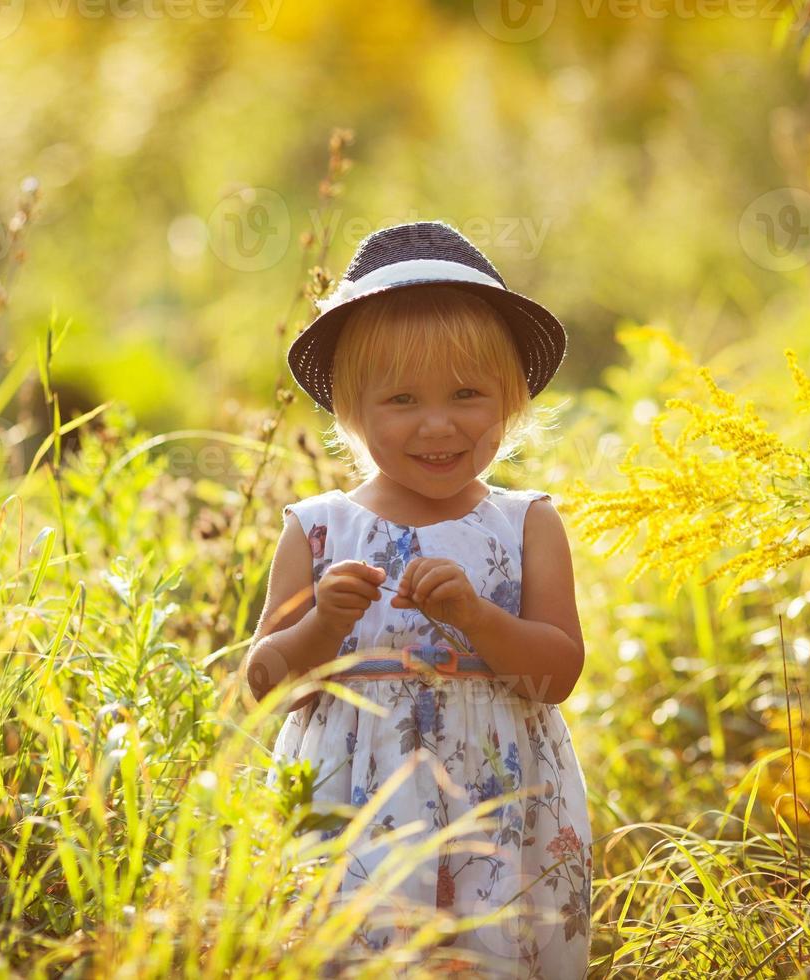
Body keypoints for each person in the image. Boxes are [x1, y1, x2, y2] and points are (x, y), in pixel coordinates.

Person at [242, 221, 593, 978]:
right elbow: (266, 684)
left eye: (468, 394)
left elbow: (557, 675)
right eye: (401, 398)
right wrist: (321, 627)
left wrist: (477, 617)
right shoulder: (320, 532)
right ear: (352, 409)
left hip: (501, 801)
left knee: (500, 951)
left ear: (513, 399)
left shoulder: (526, 522)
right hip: (357, 806)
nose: (438, 424)